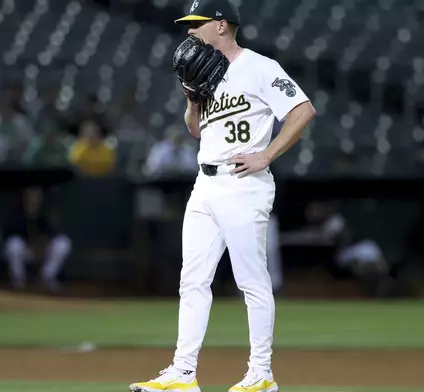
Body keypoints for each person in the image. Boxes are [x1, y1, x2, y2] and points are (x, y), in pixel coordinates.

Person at [129, 1, 316, 392]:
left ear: (220, 25)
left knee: (252, 281)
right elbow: (196, 129)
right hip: (205, 183)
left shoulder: (260, 67)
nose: (189, 31)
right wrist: (192, 97)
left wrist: (266, 154)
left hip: (244, 185)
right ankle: (183, 373)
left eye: (196, 24)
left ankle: (261, 374)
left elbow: (303, 110)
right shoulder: (204, 72)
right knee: (192, 280)